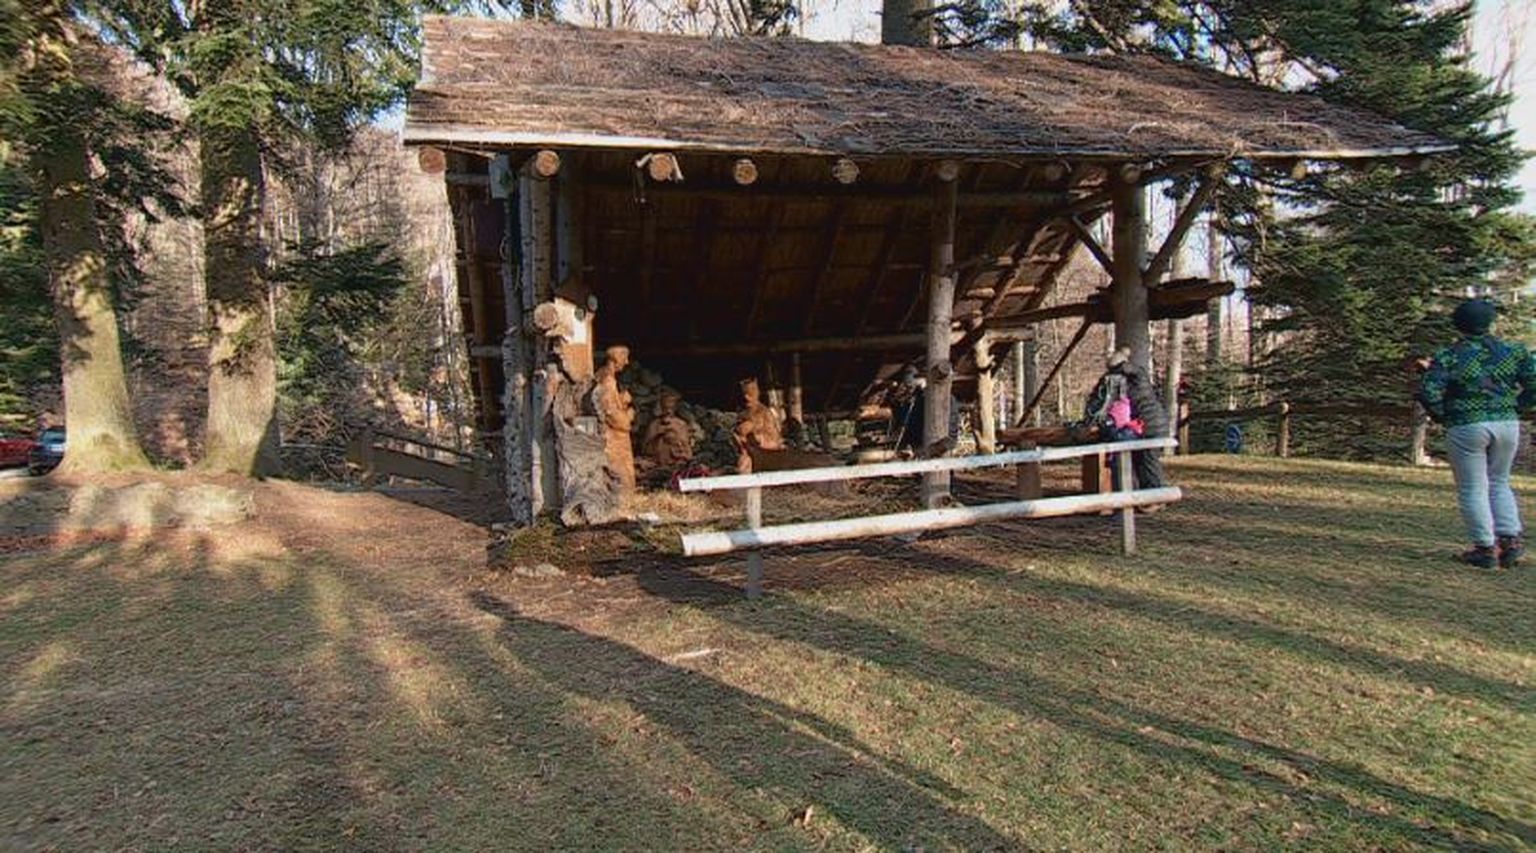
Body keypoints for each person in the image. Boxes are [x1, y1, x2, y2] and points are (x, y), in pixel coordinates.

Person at [1418, 298, 1536, 568]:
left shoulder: (1450, 355)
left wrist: (1444, 414)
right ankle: (1510, 540)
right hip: (1507, 423)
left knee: (1473, 487)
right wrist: (1517, 406)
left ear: (1458, 324)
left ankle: (1485, 548)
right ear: (1490, 322)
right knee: (1499, 481)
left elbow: (1429, 390)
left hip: (1466, 423)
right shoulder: (1514, 351)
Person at [1084, 347, 1169, 490]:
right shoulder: (1128, 380)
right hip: (1145, 425)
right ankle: (1146, 494)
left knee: (1149, 465)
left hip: (1150, 426)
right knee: (1142, 464)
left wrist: (1115, 369)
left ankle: (1156, 494)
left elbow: (1128, 370)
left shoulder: (1135, 377)